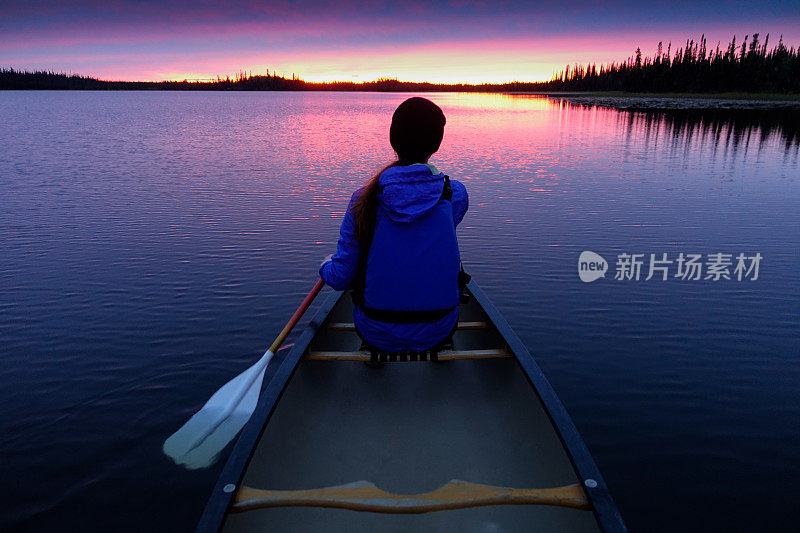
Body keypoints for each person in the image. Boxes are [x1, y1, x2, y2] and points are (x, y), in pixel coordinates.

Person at [319, 97, 468, 352]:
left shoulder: (362, 200)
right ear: (437, 144)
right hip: (440, 327)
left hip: (375, 330)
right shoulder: (455, 195)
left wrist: (324, 265)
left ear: (393, 139)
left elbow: (340, 278)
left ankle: (373, 353)